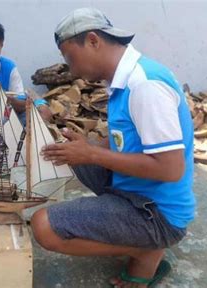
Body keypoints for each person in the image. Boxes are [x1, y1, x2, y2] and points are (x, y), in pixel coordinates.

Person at [30, 8, 195, 287]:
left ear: (93, 41)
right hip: (138, 192)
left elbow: (171, 168)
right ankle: (127, 229)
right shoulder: (122, 80)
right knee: (76, 157)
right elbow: (125, 139)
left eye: (71, 58)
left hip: (159, 214)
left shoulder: (144, 85)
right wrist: (87, 149)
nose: (72, 69)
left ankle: (144, 248)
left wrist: (92, 152)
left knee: (43, 227)